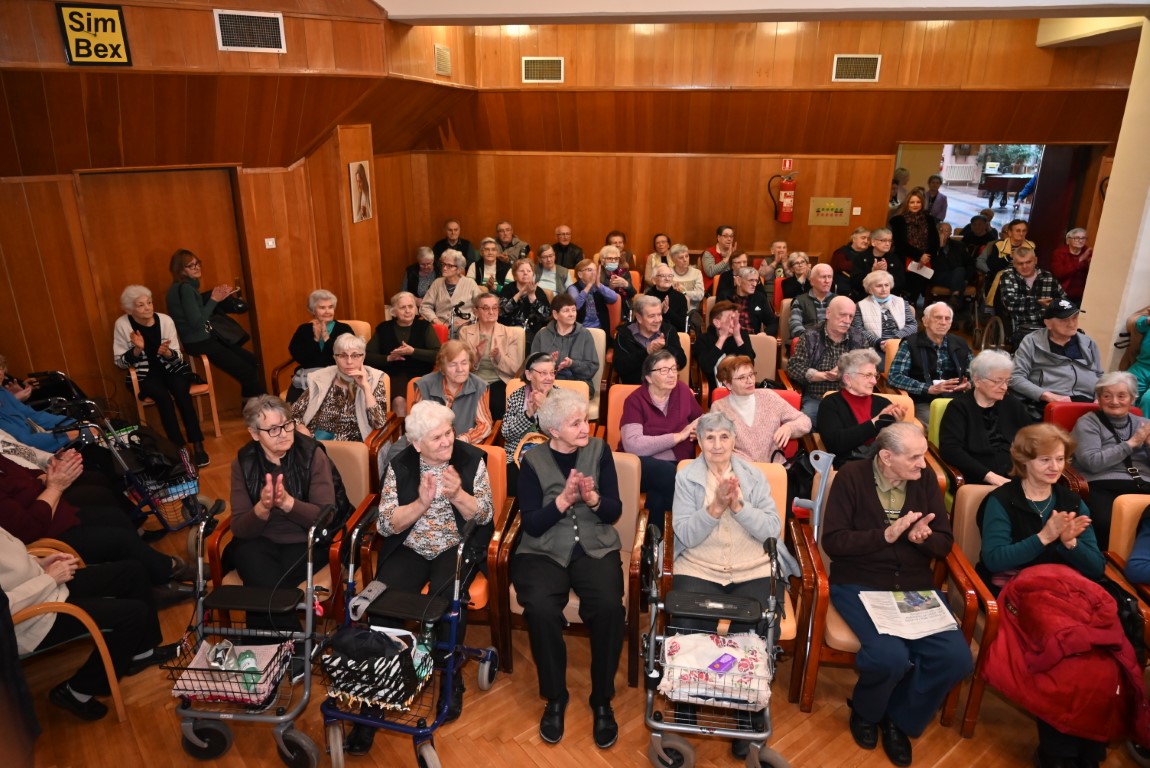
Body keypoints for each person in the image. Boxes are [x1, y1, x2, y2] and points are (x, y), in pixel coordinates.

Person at [823, 422, 972, 768]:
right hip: (860, 581)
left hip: (914, 586)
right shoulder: (851, 477)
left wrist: (924, 539)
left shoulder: (925, 482)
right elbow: (834, 542)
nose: (924, 465)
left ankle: (899, 718)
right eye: (916, 457)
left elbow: (944, 542)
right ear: (887, 457)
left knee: (957, 660)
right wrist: (885, 536)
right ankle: (866, 711)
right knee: (888, 656)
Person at [976, 424, 1111, 767]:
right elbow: (994, 560)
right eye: (1045, 460)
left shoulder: (1071, 501)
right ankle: (1057, 754)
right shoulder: (1001, 500)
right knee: (1062, 656)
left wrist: (1069, 544)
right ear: (1023, 460)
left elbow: (1095, 566)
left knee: (1101, 658)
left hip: (1067, 592)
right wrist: (1043, 538)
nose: (1055, 467)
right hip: (1019, 592)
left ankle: (1089, 751)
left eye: (1061, 459)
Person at [670, 409, 800, 757]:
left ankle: (747, 709)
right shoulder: (687, 478)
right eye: (708, 437)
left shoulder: (754, 476)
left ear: (733, 440)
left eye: (723, 437)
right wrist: (713, 509)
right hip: (700, 565)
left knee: (758, 626)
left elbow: (771, 530)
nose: (716, 444)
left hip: (751, 566)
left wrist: (739, 506)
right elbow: (684, 534)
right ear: (698, 442)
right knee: (685, 621)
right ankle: (687, 700)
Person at [368, 401, 494, 731]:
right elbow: (385, 524)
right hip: (409, 546)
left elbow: (483, 515)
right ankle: (385, 676)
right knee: (382, 601)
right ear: (417, 443)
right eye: (437, 437)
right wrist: (421, 503)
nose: (447, 441)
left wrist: (457, 495)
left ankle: (450, 678)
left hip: (455, 544)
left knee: (448, 600)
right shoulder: (401, 464)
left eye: (449, 432)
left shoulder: (470, 459)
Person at [512, 389, 624, 750]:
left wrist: (592, 498)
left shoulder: (599, 451)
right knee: (542, 609)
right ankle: (555, 697)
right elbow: (531, 524)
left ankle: (602, 700)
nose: (585, 427)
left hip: (594, 544)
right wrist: (562, 500)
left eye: (585, 419)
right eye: (576, 423)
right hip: (543, 550)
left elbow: (613, 511)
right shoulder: (532, 462)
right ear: (553, 430)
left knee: (609, 607)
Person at [1, 526, 175, 721]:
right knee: (132, 615)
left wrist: (40, 563)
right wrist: (50, 578)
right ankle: (77, 692)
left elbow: (10, 565)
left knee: (133, 571)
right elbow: (6, 608)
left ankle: (141, 653)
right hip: (30, 622)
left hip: (44, 589)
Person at [0, 450, 193, 600]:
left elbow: (26, 472)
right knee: (120, 539)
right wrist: (55, 486)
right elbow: (27, 529)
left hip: (56, 512)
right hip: (46, 538)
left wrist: (51, 474)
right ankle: (169, 571)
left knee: (114, 517)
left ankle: (153, 578)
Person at [230, 395, 336, 635]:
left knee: (262, 583)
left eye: (287, 424)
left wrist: (288, 503)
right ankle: (294, 644)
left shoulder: (311, 454)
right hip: (261, 541)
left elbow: (325, 515)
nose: (284, 433)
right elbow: (239, 527)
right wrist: (262, 508)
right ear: (255, 433)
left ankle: (267, 648)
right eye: (273, 429)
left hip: (307, 540)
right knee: (248, 556)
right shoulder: (243, 462)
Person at [113, 284, 209, 466]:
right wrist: (137, 349)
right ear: (129, 309)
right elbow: (120, 362)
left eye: (149, 303)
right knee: (163, 398)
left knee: (182, 392)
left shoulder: (165, 320)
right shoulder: (122, 325)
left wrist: (167, 354)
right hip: (145, 374)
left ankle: (198, 445)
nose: (147, 307)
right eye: (140, 305)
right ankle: (179, 449)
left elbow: (177, 357)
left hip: (171, 369)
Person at [165, 249, 264, 400]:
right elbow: (197, 322)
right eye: (190, 266)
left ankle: (250, 405)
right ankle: (260, 406)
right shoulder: (185, 289)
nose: (197, 267)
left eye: (197, 263)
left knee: (250, 362)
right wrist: (214, 300)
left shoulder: (180, 288)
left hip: (201, 339)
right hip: (199, 341)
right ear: (181, 270)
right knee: (246, 369)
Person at [619, 349, 702, 529]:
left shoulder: (682, 390)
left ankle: (654, 543)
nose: (671, 374)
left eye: (673, 369)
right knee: (672, 476)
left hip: (675, 461)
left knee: (658, 497)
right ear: (648, 377)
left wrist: (697, 430)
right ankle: (687, 531)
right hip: (640, 463)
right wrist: (678, 437)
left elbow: (700, 418)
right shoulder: (635, 400)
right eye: (664, 371)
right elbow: (633, 445)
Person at [1070, 371, 1150, 549]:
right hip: (1103, 484)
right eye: (1107, 395)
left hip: (1144, 484)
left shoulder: (1145, 423)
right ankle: (1109, 565)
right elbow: (1092, 462)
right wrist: (1132, 444)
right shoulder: (1088, 423)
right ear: (1098, 398)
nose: (1114, 401)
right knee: (1107, 522)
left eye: (1121, 396)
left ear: (1132, 398)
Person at [938, 349, 1035, 487]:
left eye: (1007, 381)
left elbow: (1032, 439)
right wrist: (989, 476)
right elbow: (950, 450)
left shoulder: (1013, 404)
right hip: (977, 479)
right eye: (998, 381)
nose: (1004, 387)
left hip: (1017, 477)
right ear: (977, 380)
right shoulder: (959, 407)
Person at [817, 349, 908, 467]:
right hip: (851, 467)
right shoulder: (830, 404)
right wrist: (874, 423)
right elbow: (835, 444)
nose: (874, 381)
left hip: (886, 463)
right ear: (847, 379)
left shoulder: (882, 403)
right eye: (868, 375)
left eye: (875, 376)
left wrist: (898, 423)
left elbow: (895, 444)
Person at [712, 355, 811, 463]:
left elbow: (805, 421)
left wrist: (789, 428)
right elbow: (715, 445)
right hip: (740, 471)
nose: (750, 381)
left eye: (751, 375)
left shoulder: (769, 397)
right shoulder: (719, 407)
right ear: (728, 384)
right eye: (742, 377)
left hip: (775, 469)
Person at [887, 302, 973, 425]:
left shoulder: (961, 343)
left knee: (975, 423)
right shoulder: (910, 344)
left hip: (956, 399)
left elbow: (976, 374)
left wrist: (969, 384)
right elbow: (894, 376)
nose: (943, 322)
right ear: (925, 321)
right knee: (942, 426)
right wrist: (929, 389)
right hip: (925, 401)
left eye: (947, 318)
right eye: (938, 317)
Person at [291, 333, 388, 442]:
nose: (349, 361)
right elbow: (294, 413)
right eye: (342, 355)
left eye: (355, 355)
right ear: (335, 358)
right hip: (316, 441)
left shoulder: (373, 379)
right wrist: (300, 427)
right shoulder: (322, 378)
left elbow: (378, 423)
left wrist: (365, 387)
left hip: (351, 445)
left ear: (363, 357)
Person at [1010, 299, 1102, 415]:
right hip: (1050, 403)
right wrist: (1048, 396)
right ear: (1048, 323)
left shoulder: (1088, 343)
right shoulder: (1032, 342)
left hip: (1088, 404)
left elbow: (1099, 375)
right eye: (1064, 320)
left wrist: (1101, 397)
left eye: (1074, 318)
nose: (1071, 324)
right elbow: (1016, 377)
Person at [788, 296, 867, 421]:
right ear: (828, 313)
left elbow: (869, 369)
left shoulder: (858, 338)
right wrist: (823, 375)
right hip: (817, 397)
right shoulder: (810, 336)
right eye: (842, 315)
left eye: (851, 316)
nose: (847, 321)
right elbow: (794, 367)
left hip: (849, 396)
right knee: (806, 421)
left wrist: (846, 372)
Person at [365, 291, 440, 418]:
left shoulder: (424, 326)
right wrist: (388, 358)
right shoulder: (384, 328)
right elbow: (367, 356)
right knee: (399, 400)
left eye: (410, 306)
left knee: (415, 402)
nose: (407, 311)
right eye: (402, 307)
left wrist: (414, 352)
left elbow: (439, 354)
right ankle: (401, 435)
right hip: (393, 374)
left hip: (421, 374)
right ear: (394, 312)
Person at [412, 340, 493, 445]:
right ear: (442, 368)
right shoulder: (425, 385)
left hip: (462, 445)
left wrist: (465, 439)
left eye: (464, 363)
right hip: (428, 445)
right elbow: (417, 424)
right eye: (453, 364)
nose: (460, 369)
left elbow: (485, 425)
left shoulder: (479, 386)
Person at [283, 289, 355, 403]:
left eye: (330, 307)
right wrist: (315, 340)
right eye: (322, 308)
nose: (327, 311)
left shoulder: (344, 329)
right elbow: (300, 357)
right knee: (296, 407)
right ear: (312, 310)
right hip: (308, 378)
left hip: (337, 376)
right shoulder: (303, 330)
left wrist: (326, 338)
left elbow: (347, 356)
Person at [459, 293, 523, 420]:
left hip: (499, 380)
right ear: (476, 311)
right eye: (486, 308)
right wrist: (477, 356)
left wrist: (499, 357)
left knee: (496, 403)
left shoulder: (510, 334)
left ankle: (496, 437)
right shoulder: (465, 332)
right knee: (464, 403)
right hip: (473, 380)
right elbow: (461, 367)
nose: (491, 312)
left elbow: (516, 369)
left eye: (495, 308)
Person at [502, 352, 561, 488]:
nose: (549, 378)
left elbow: (563, 432)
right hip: (518, 453)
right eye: (543, 373)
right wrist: (529, 413)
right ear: (529, 375)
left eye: (552, 373)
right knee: (513, 478)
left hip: (552, 452)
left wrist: (544, 407)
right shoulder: (517, 396)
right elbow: (506, 433)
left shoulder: (561, 397)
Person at [995, 246, 1067, 348]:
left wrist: (1059, 305)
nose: (1025, 266)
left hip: (1047, 324)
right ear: (1014, 264)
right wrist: (1037, 302)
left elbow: (1063, 299)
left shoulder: (1048, 277)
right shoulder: (1008, 276)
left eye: (1028, 262)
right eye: (1020, 263)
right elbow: (1010, 303)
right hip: (1021, 324)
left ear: (1035, 261)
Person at [530, 294, 600, 397]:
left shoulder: (585, 335)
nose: (572, 314)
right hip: (549, 384)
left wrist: (572, 364)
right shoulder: (542, 335)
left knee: (562, 399)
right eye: (566, 311)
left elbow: (591, 368)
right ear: (555, 314)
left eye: (573, 310)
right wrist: (550, 364)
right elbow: (532, 367)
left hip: (578, 384)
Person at [613, 294, 687, 385]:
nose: (657, 320)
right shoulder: (624, 334)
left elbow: (682, 361)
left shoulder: (668, 330)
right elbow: (620, 367)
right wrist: (647, 351)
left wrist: (664, 348)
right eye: (652, 316)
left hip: (665, 389)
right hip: (635, 389)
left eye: (659, 315)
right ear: (639, 318)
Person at [889, 188, 940, 305]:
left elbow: (934, 241)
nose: (915, 205)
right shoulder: (898, 220)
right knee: (907, 287)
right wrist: (919, 256)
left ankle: (912, 306)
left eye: (918, 202)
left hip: (926, 259)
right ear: (907, 203)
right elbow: (900, 243)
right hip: (905, 258)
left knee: (919, 285)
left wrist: (926, 256)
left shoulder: (929, 219)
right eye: (912, 202)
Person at [695, 300, 754, 392]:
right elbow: (706, 367)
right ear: (717, 323)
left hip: (742, 392)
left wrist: (738, 338)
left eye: (736, 319)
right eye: (731, 318)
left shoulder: (742, 336)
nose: (735, 323)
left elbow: (750, 365)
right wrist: (722, 338)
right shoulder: (703, 339)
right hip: (715, 394)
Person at [851, 270, 916, 349]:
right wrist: (879, 343)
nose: (884, 289)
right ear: (870, 289)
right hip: (874, 347)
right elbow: (858, 330)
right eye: (879, 286)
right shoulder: (860, 305)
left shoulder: (901, 302)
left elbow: (912, 325)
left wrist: (895, 340)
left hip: (901, 344)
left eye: (886, 285)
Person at [420, 249, 482, 329]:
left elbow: (482, 306)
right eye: (443, 264)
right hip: (441, 329)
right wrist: (435, 320)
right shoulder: (437, 283)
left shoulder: (470, 283)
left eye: (449, 266)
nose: (444, 268)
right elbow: (425, 306)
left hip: (465, 329)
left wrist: (469, 319)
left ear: (459, 269)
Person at [499, 257, 551, 344]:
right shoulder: (507, 289)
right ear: (515, 275)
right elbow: (502, 311)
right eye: (521, 271)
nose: (525, 273)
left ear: (533, 274)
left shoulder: (538, 291)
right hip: (508, 329)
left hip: (531, 331)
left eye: (529, 271)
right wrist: (520, 293)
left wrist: (532, 296)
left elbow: (546, 316)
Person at [568, 258, 619, 332]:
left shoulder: (598, 287)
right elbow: (575, 306)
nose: (594, 273)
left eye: (595, 270)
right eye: (589, 270)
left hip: (600, 329)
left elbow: (614, 298)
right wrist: (589, 286)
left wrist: (599, 285)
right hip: (580, 330)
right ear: (580, 274)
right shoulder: (573, 288)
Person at [789, 263, 837, 338]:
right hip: (807, 342)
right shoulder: (800, 301)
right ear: (812, 281)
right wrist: (810, 338)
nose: (827, 281)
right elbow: (795, 325)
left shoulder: (839, 301)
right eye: (823, 277)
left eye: (829, 277)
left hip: (834, 343)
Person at [1050, 228, 1093, 303]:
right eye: (1076, 238)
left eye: (1083, 238)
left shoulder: (1088, 253)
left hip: (1083, 294)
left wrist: (1091, 264)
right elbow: (1059, 273)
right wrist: (1080, 260)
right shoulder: (1059, 253)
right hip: (1063, 293)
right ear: (1068, 240)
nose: (1080, 240)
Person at [668, 243, 705, 331]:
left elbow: (700, 295)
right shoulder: (668, 273)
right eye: (681, 258)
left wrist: (683, 293)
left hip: (691, 311)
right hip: (672, 310)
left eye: (687, 256)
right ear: (673, 260)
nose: (685, 260)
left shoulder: (696, 273)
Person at [645, 264, 689, 333]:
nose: (667, 279)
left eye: (670, 276)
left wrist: (667, 311)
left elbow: (683, 326)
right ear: (654, 280)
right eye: (663, 276)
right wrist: (659, 311)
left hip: (673, 336)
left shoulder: (680, 298)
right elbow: (640, 323)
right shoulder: (647, 297)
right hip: (650, 335)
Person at [931, 222, 969, 297]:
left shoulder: (959, 245)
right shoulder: (930, 245)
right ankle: (955, 301)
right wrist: (940, 246)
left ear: (950, 233)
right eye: (940, 230)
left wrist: (966, 276)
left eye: (946, 230)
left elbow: (969, 263)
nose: (943, 233)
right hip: (938, 275)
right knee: (960, 281)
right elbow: (934, 264)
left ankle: (954, 298)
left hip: (955, 274)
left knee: (959, 271)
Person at [598, 245, 637, 320]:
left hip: (625, 305)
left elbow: (633, 293)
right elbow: (597, 296)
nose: (613, 261)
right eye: (610, 258)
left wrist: (626, 285)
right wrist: (610, 288)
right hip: (605, 306)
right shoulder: (598, 273)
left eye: (616, 259)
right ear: (602, 260)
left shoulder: (624, 272)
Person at [1124, 305, 1150, 414]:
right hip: (1142, 365)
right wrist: (1147, 321)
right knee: (1122, 388)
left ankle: (1143, 429)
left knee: (1148, 400)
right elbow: (1138, 324)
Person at [831, 228, 870, 298]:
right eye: (863, 238)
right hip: (846, 287)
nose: (866, 241)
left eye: (868, 239)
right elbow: (840, 267)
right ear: (854, 239)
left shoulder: (870, 253)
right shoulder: (841, 252)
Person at [700, 225, 738, 290]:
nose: (729, 239)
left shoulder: (734, 253)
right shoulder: (709, 253)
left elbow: (738, 272)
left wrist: (734, 257)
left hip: (730, 285)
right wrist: (727, 258)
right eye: (725, 236)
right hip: (712, 286)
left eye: (731, 236)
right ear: (718, 237)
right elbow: (710, 272)